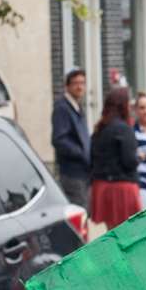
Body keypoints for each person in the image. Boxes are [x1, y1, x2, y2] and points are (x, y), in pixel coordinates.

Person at [89, 88, 141, 229]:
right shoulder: (124, 129)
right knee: (129, 234)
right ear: (123, 106)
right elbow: (129, 161)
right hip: (122, 188)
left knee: (113, 232)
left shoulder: (99, 128)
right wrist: (139, 157)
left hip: (102, 186)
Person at [52, 69, 91, 210]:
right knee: (79, 211)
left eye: (82, 83)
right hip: (72, 172)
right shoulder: (62, 108)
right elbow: (59, 139)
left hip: (83, 171)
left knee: (84, 210)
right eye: (75, 83)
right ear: (67, 86)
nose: (80, 87)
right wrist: (81, 153)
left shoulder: (78, 106)